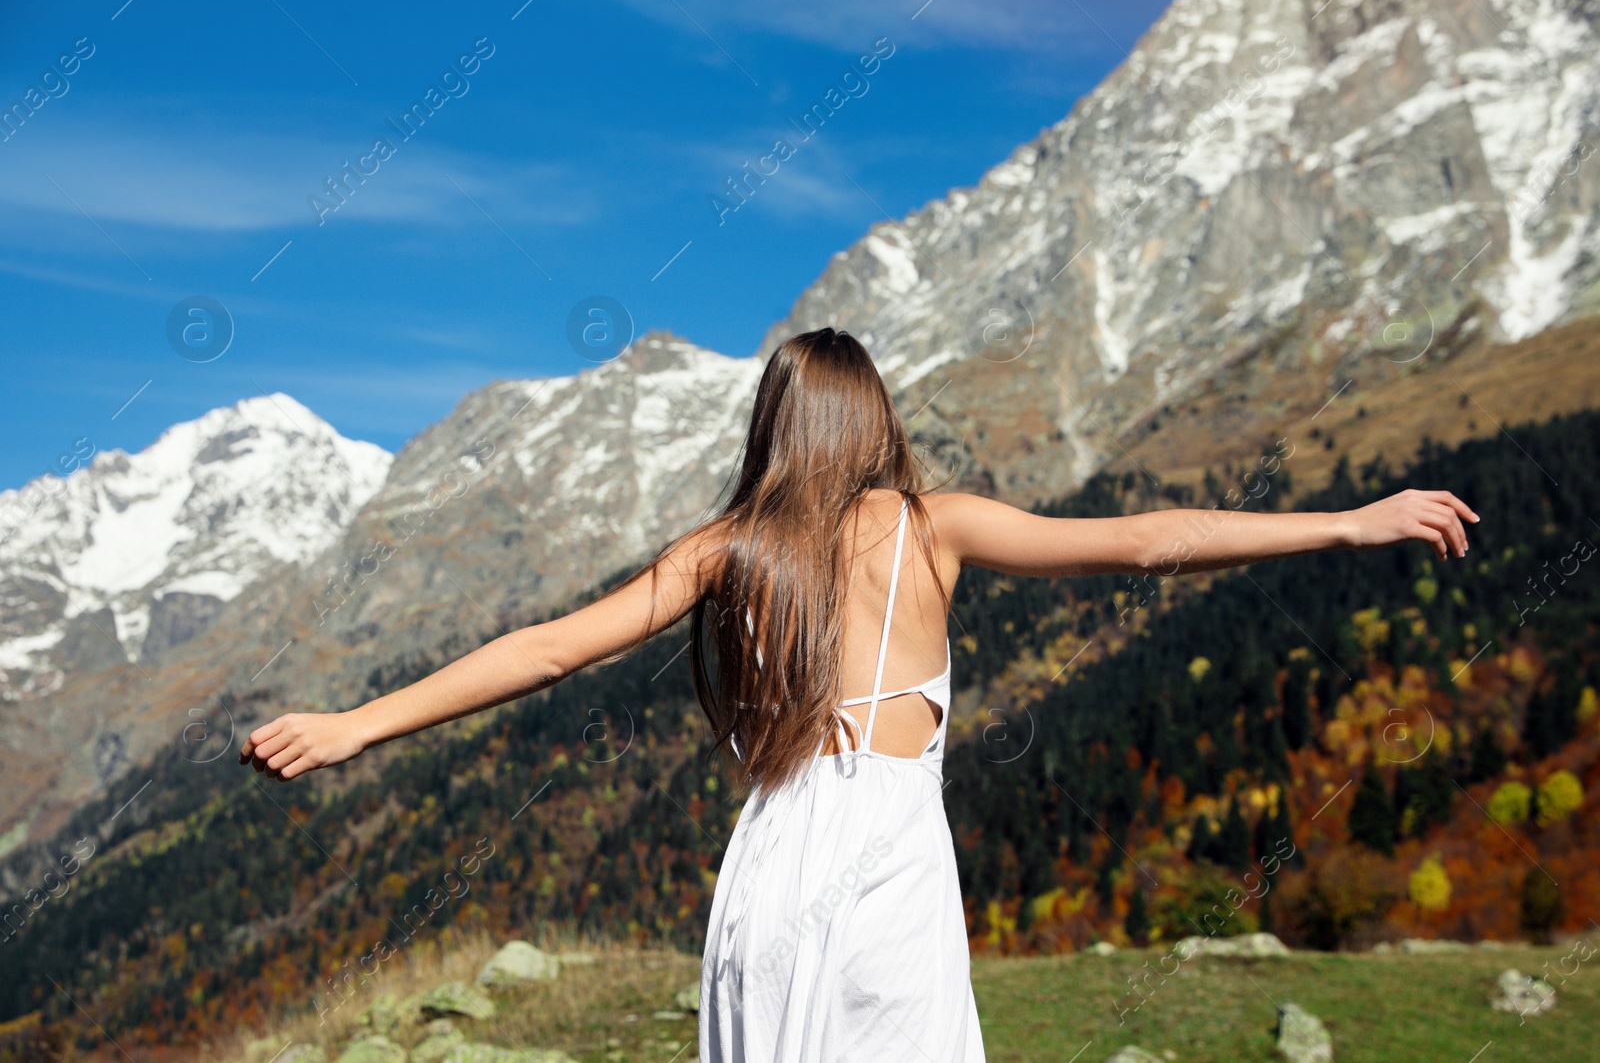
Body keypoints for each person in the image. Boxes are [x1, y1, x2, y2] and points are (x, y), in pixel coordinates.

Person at [240, 328, 1478, 1061]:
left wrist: (357, 721)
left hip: (770, 867)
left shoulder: (726, 548)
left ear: (776, 428)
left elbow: (550, 648)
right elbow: (1146, 540)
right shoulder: (935, 525)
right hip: (886, 866)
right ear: (872, 417)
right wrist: (1347, 524)